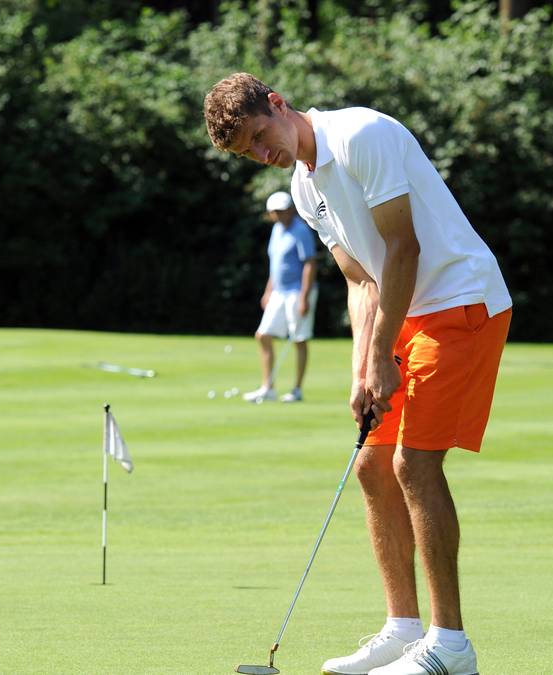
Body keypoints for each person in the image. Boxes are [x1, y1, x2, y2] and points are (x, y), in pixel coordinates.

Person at [204, 73, 512, 675]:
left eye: (260, 136)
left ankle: (451, 645)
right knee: (373, 464)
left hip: (461, 300)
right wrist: (360, 371)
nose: (263, 154)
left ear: (277, 103)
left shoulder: (360, 135)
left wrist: (379, 354)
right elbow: (361, 280)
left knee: (414, 463)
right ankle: (403, 630)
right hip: (406, 310)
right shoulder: (302, 188)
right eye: (248, 153)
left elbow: (403, 249)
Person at [242, 190, 319, 404]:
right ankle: (268, 388)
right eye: (276, 212)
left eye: (283, 210)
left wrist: (304, 296)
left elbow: (310, 263)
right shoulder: (276, 230)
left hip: (298, 291)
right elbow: (276, 265)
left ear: (291, 210)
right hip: (279, 291)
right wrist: (269, 290)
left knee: (299, 339)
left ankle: (297, 390)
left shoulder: (301, 230)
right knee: (263, 335)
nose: (280, 215)